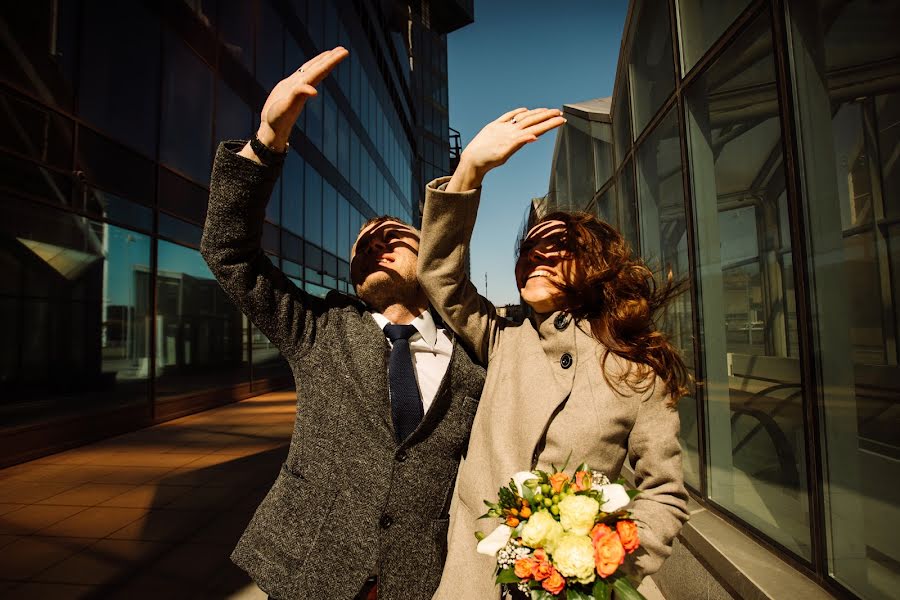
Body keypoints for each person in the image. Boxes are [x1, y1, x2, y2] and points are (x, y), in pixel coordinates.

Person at [200, 47, 485, 600]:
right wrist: (266, 140)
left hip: (424, 580)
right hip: (308, 571)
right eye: (363, 246)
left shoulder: (477, 353)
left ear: (433, 257)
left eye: (394, 237)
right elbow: (228, 251)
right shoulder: (319, 328)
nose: (376, 245)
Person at [417, 108, 690, 598]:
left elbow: (664, 494)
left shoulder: (637, 373)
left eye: (557, 248)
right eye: (529, 251)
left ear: (594, 263)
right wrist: (470, 172)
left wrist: (603, 561)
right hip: (471, 583)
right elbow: (439, 275)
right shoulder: (505, 334)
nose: (537, 258)